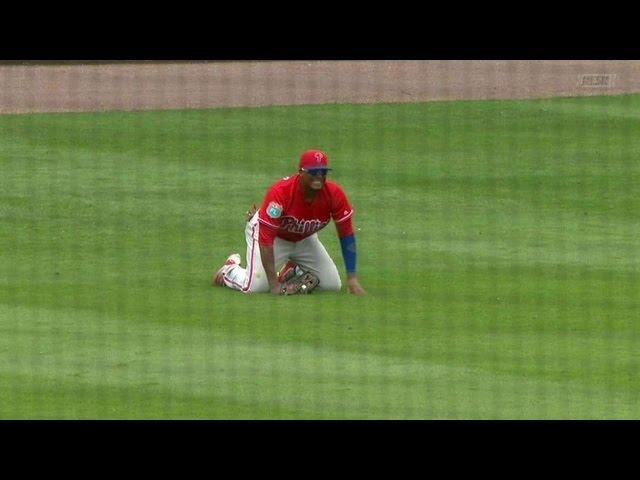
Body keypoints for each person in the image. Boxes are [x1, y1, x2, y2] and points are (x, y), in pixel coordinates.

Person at [212, 149, 366, 295]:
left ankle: (293, 270)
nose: (319, 176)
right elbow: (266, 239)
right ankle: (230, 270)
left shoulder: (334, 194)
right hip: (272, 237)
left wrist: (352, 278)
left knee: (331, 286)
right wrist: (274, 286)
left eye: (323, 172)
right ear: (301, 172)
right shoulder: (281, 193)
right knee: (256, 287)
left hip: (304, 239)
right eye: (313, 172)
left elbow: (346, 235)